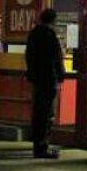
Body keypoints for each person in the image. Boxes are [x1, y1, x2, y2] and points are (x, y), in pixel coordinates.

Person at [25, 8, 65, 158]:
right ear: (53, 20)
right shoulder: (50, 35)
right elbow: (56, 58)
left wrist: (32, 74)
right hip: (49, 79)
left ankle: (38, 145)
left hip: (37, 79)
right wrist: (60, 75)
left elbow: (28, 56)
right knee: (47, 114)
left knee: (38, 113)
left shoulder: (34, 34)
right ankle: (42, 147)